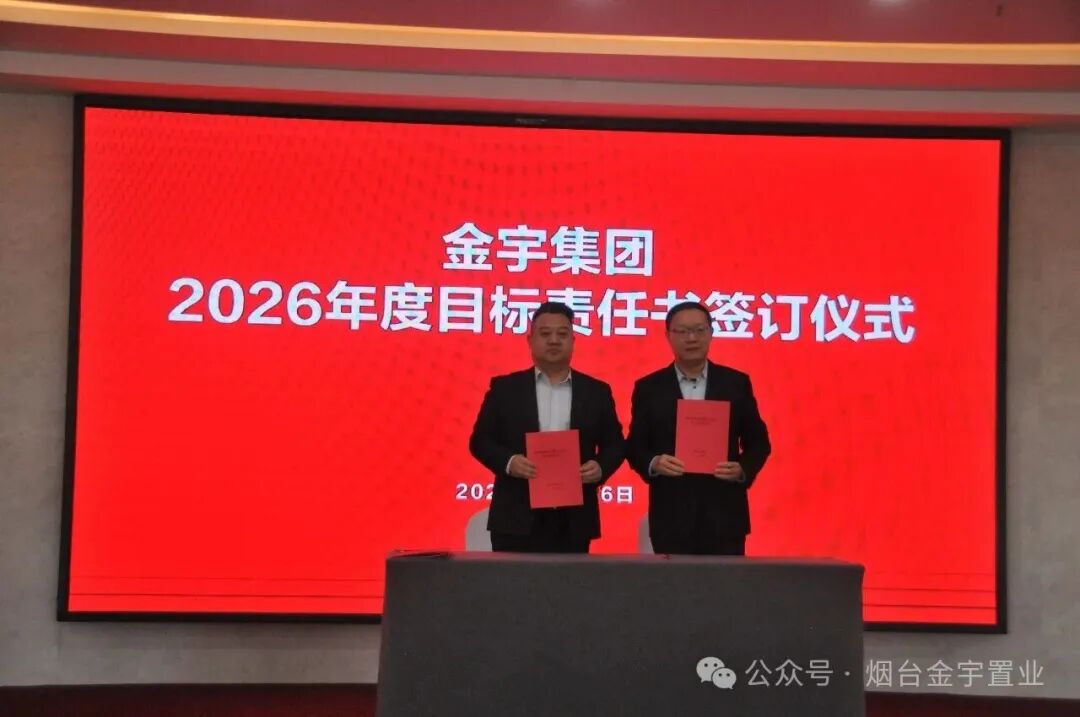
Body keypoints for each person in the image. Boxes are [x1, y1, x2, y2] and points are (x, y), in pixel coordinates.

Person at [469, 302, 625, 553]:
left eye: (562, 334)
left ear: (573, 340)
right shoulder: (505, 389)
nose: (554, 340)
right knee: (512, 579)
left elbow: (615, 445)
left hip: (574, 517)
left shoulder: (596, 391)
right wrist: (509, 462)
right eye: (545, 334)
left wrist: (600, 467)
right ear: (530, 340)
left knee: (569, 579)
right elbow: (480, 441)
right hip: (516, 516)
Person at [627, 301, 770, 555]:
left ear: (711, 333)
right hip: (670, 514)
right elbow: (635, 446)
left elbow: (758, 442)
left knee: (725, 581)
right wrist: (654, 463)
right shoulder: (649, 387)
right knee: (673, 581)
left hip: (725, 513)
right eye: (682, 331)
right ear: (668, 336)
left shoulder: (735, 383)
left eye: (699, 330)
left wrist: (742, 469)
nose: (691, 338)